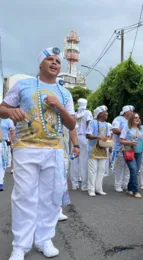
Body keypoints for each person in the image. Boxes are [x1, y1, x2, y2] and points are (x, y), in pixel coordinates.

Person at [0, 47, 75, 260]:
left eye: (57, 61)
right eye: (49, 59)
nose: (54, 63)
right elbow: (1, 108)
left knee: (51, 197)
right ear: (40, 64)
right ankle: (20, 246)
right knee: (24, 196)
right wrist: (10, 111)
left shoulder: (64, 92)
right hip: (26, 147)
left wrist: (59, 106)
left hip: (54, 150)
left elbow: (71, 124)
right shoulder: (23, 85)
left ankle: (44, 239)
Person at [86, 105, 111, 197]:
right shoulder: (93, 122)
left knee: (101, 170)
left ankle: (99, 189)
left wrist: (108, 139)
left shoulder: (107, 125)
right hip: (93, 150)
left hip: (103, 150)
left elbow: (108, 136)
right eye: (105, 112)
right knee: (93, 170)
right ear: (100, 114)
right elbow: (87, 135)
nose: (107, 113)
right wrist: (98, 137)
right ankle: (91, 189)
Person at [120, 113, 143, 198]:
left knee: (135, 170)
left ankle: (129, 188)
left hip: (139, 151)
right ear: (131, 119)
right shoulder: (126, 128)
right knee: (134, 169)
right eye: (135, 118)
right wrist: (130, 142)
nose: (137, 119)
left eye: (138, 118)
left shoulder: (141, 129)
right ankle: (135, 191)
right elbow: (121, 140)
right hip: (129, 151)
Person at [70, 98, 92, 191]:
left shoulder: (74, 114)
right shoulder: (88, 112)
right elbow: (89, 125)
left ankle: (74, 184)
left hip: (74, 138)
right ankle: (84, 185)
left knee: (74, 161)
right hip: (84, 138)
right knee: (84, 161)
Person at [59, 125, 79, 222]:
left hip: (63, 154)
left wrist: (75, 145)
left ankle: (57, 211)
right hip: (44, 150)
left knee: (60, 183)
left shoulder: (65, 114)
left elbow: (72, 128)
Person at [111, 105, 134, 192]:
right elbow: (114, 129)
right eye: (130, 111)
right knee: (120, 166)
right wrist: (125, 133)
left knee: (128, 166)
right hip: (119, 147)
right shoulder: (118, 119)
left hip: (130, 147)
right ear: (126, 112)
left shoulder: (131, 121)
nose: (132, 112)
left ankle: (125, 184)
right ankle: (118, 185)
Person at [0, 118, 15, 191]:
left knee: (2, 164)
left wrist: (12, 143)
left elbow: (12, 133)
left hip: (3, 144)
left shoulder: (8, 121)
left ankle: (0, 183)